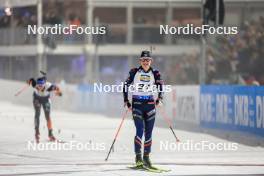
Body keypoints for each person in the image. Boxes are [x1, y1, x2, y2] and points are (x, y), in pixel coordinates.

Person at [123, 50, 164, 168]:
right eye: (143, 60)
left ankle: (146, 157)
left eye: (148, 60)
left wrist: (160, 98)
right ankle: (138, 157)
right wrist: (126, 101)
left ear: (151, 61)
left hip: (150, 104)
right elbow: (125, 85)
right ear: (140, 61)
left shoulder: (155, 73)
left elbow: (161, 86)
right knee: (140, 130)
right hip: (137, 104)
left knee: (149, 133)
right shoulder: (134, 72)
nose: (145, 62)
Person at [27, 74, 62, 143]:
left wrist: (59, 93)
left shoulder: (49, 86)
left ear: (44, 84)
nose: (39, 87)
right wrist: (29, 81)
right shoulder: (35, 84)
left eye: (41, 85)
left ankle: (50, 134)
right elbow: (31, 80)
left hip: (46, 99)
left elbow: (57, 88)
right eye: (38, 85)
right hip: (37, 98)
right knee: (37, 114)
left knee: (47, 116)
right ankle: (37, 132)